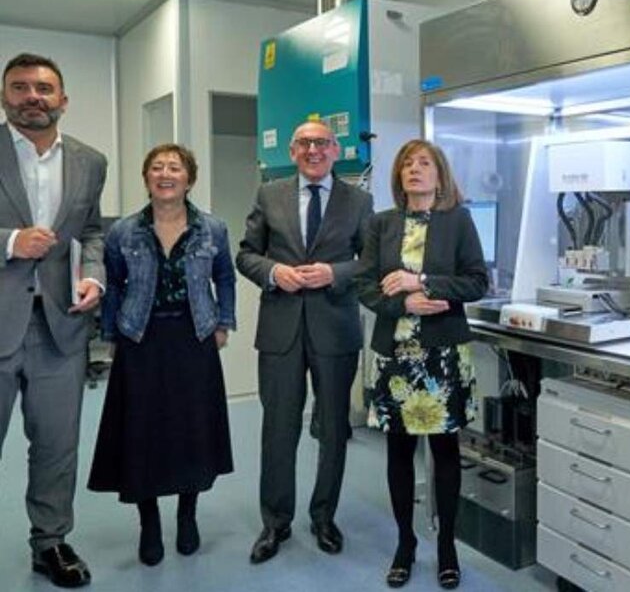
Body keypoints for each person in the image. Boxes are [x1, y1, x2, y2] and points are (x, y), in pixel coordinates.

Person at [87, 144, 235, 566]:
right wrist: (111, 334)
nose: (165, 174)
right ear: (146, 177)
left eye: (175, 167)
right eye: (157, 167)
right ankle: (148, 522)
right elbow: (113, 285)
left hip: (194, 338)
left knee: (193, 432)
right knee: (142, 436)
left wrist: (223, 324)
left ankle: (187, 515)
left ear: (189, 178)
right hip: (141, 340)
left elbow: (224, 278)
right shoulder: (124, 233)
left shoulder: (213, 229)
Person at [236, 120, 373, 564]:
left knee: (333, 428)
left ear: (336, 150)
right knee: (279, 429)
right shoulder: (269, 194)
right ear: (292, 152)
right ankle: (275, 522)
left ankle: (323, 517)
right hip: (281, 329)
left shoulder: (360, 201)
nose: (313, 150)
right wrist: (275, 273)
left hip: (335, 328)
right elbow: (246, 253)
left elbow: (372, 262)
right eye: (304, 144)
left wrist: (336, 273)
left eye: (322, 143)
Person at [356, 138, 488, 590]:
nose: (415, 169)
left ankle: (447, 546)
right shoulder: (381, 224)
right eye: (407, 164)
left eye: (424, 163)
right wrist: (405, 303)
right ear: (398, 177)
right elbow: (365, 286)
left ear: (439, 174)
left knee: (445, 452)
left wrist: (425, 282)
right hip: (395, 357)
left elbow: (476, 283)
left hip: (442, 355)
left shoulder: (458, 221)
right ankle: (405, 543)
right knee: (398, 452)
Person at [0, 53, 106, 588]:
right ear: (4, 97)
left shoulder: (90, 161)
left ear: (63, 99)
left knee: (56, 445)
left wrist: (94, 277)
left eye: (43, 88)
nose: (32, 96)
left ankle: (51, 543)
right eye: (19, 87)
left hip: (61, 328)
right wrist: (10, 242)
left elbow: (92, 233)